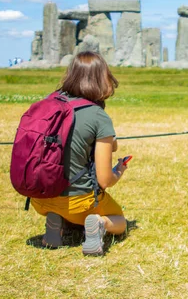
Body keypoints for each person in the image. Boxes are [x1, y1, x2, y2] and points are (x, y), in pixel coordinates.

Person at [30, 51, 128, 255]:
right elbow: (104, 180)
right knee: (121, 222)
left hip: (41, 197)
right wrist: (119, 170)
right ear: (103, 78)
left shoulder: (49, 103)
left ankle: (56, 224)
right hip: (78, 202)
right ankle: (100, 223)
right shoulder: (98, 117)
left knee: (66, 210)